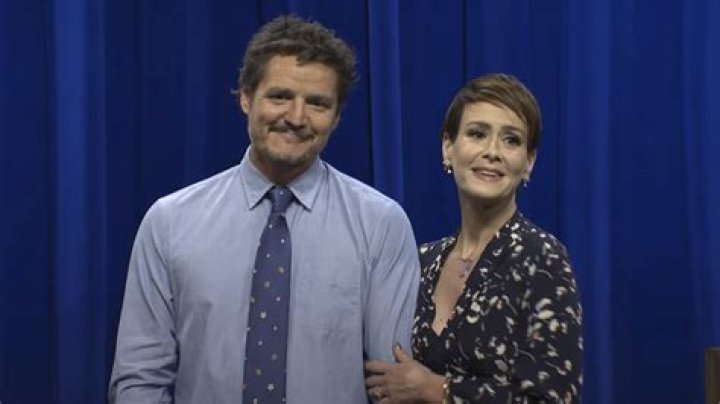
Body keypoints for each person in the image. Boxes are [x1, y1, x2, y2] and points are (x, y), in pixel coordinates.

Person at [109, 15, 420, 403]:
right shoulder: (169, 222)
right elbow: (139, 378)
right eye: (279, 97)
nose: (296, 118)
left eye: (317, 103)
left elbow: (393, 385)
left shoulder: (381, 225)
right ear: (245, 97)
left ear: (337, 117)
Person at [365, 73, 582, 403]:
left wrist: (436, 390)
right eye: (477, 134)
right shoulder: (421, 260)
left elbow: (553, 398)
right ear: (448, 147)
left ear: (528, 163)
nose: (492, 152)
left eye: (511, 140)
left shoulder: (542, 258)